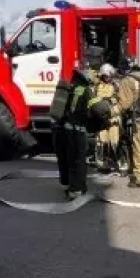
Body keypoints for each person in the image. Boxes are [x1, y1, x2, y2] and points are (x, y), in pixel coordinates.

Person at [109, 57, 140, 188]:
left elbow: (124, 104)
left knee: (139, 147)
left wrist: (110, 112)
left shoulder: (128, 80)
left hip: (139, 118)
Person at [55, 66, 93, 199]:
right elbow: (93, 111)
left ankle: (66, 185)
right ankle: (76, 190)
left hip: (66, 129)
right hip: (78, 131)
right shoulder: (86, 90)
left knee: (67, 159)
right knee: (79, 161)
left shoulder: (70, 88)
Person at [94, 63, 121, 172]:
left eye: (108, 75)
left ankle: (117, 162)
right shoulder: (96, 86)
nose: (106, 78)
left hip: (113, 118)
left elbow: (121, 100)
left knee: (115, 142)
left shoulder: (116, 86)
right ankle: (103, 164)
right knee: (102, 142)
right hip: (101, 118)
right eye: (104, 76)